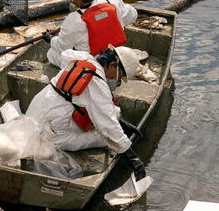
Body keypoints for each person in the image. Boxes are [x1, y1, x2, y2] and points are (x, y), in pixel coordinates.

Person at [25, 46, 147, 178]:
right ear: (112, 65)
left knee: (111, 118)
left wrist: (121, 121)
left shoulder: (84, 59)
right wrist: (132, 157)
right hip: (51, 136)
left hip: (36, 114)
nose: (118, 82)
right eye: (120, 76)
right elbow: (107, 125)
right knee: (106, 139)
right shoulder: (97, 83)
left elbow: (64, 54)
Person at [46, 0, 138, 68]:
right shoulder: (113, 3)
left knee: (52, 53)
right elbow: (133, 16)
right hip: (116, 54)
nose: (70, 0)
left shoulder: (74, 19)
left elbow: (62, 47)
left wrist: (51, 39)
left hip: (93, 63)